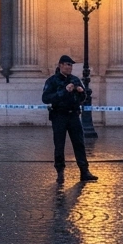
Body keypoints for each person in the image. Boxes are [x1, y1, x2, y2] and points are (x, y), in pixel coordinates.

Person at [41, 54, 98, 182]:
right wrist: (64, 91)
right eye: (67, 64)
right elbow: (45, 98)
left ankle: (84, 171)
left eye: (71, 65)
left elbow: (84, 99)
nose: (69, 67)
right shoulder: (52, 81)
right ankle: (60, 173)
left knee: (79, 143)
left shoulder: (75, 80)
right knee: (59, 145)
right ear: (60, 65)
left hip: (74, 115)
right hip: (59, 116)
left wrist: (81, 92)